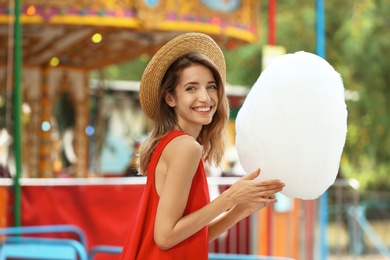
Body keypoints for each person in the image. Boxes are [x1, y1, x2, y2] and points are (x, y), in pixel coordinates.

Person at [120, 32, 285, 259]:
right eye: (191, 88)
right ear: (170, 98)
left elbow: (188, 237)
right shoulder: (185, 147)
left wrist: (240, 209)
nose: (205, 97)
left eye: (211, 86)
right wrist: (230, 197)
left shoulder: (170, 143)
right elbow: (166, 237)